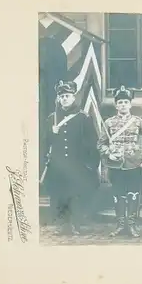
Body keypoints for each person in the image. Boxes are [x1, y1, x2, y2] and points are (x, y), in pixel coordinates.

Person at [97, 86, 142, 238]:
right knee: (118, 195)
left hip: (134, 165)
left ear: (130, 104)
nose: (123, 105)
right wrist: (108, 154)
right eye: (120, 102)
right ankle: (120, 225)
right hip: (116, 165)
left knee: (133, 194)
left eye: (126, 102)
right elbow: (100, 144)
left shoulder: (138, 122)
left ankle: (132, 225)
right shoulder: (109, 123)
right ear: (116, 105)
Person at [40, 80, 100, 235]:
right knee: (60, 194)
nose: (64, 99)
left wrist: (89, 164)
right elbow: (44, 143)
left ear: (74, 97)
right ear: (58, 99)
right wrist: (51, 133)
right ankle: (62, 224)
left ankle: (75, 223)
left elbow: (92, 142)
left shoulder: (83, 118)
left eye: (67, 96)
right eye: (62, 96)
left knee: (75, 194)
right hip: (58, 165)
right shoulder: (52, 118)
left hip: (77, 164)